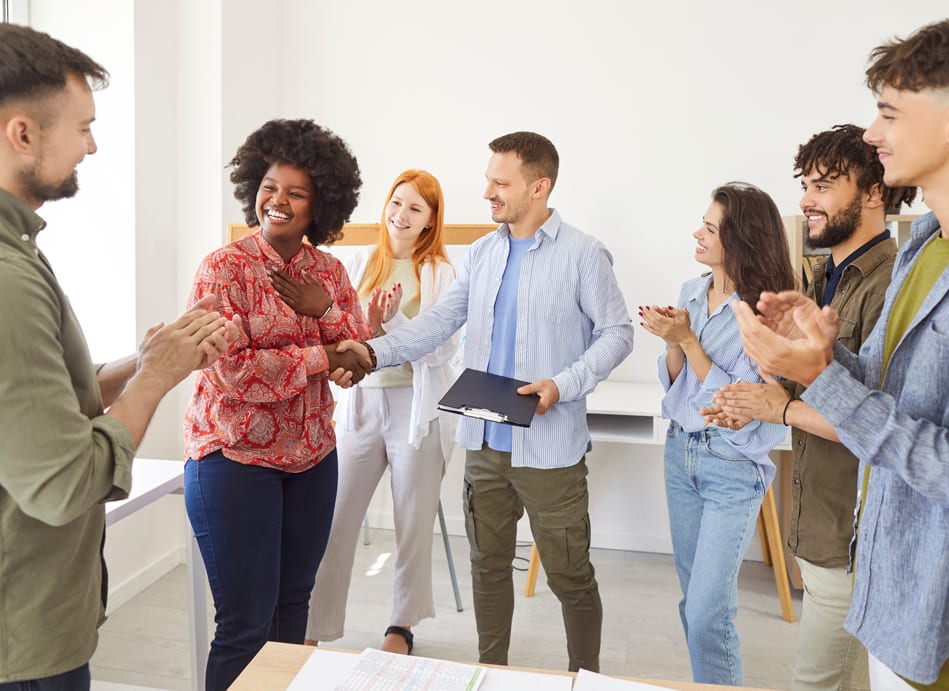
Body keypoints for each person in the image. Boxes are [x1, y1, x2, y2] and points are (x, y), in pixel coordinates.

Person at [732, 15, 949, 691]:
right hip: (887, 601)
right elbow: (882, 392)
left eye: (887, 112)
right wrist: (821, 354)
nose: (872, 133)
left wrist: (819, 381)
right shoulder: (920, 246)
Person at [335, 131, 633, 672]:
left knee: (570, 575)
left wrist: (562, 384)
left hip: (549, 449)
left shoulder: (584, 254)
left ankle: (582, 679)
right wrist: (369, 351)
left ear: (539, 186)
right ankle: (490, 673)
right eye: (488, 180)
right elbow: (436, 326)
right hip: (483, 443)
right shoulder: (482, 254)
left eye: (502, 182)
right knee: (488, 568)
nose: (488, 192)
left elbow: (617, 333)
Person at [0, 24, 238, 689]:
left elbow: (47, 400)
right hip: (23, 635)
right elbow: (66, 484)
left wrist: (145, 360)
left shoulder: (21, 255)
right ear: (23, 134)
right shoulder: (8, 280)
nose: (93, 145)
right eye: (82, 128)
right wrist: (157, 379)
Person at [706, 125, 916, 691]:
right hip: (820, 529)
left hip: (855, 541)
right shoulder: (819, 279)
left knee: (814, 683)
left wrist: (778, 410)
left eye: (824, 186)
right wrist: (758, 390)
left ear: (874, 191)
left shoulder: (891, 285)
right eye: (805, 185)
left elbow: (881, 428)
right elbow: (804, 393)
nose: (805, 199)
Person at [182, 118, 370, 690]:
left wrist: (325, 312)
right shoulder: (224, 268)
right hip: (233, 460)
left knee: (293, 614)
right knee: (244, 623)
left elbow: (359, 357)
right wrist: (318, 352)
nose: (278, 201)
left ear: (322, 206)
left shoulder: (329, 273)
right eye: (269, 186)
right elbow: (235, 374)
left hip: (313, 458)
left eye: (296, 192)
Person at [637, 182, 796, 686]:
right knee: (694, 605)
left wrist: (688, 340)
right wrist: (673, 343)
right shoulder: (691, 291)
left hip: (732, 464)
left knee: (709, 612)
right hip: (681, 453)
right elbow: (679, 383)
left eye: (709, 228)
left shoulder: (771, 314)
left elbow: (741, 407)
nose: (697, 233)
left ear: (743, 238)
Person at [305, 169, 460, 655]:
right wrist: (368, 325)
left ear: (431, 219)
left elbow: (442, 350)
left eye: (416, 208)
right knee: (334, 521)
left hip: (416, 409)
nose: (402, 215)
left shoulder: (441, 273)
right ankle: (313, 623)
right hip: (361, 406)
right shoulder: (355, 263)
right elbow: (337, 337)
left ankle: (402, 625)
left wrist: (394, 321)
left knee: (412, 521)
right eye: (397, 202)